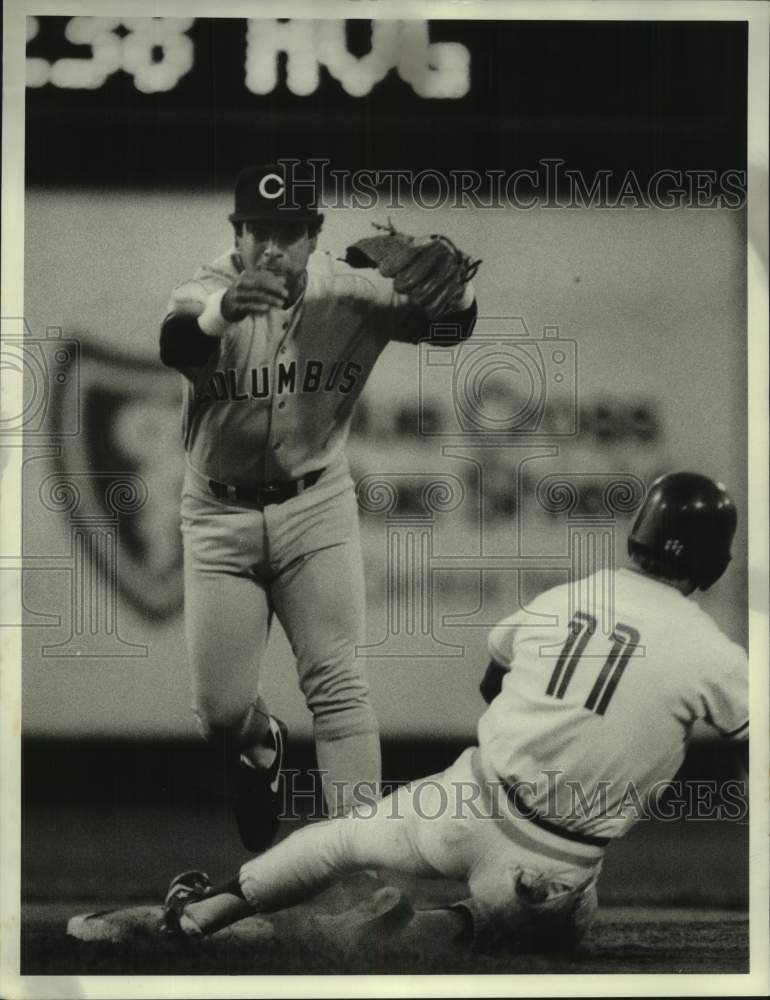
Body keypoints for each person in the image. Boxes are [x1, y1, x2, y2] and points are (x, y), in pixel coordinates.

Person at [68, 471, 748, 953]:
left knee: (336, 842)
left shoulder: (572, 595)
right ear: (715, 563)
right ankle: (445, 928)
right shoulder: (714, 655)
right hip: (552, 861)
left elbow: (494, 678)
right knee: (548, 926)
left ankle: (195, 916)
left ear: (639, 535)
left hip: (462, 804)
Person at [157, 163, 478, 850]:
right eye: (259, 232)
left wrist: (463, 289)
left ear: (315, 237)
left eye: (290, 233)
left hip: (316, 506)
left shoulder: (353, 292)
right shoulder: (208, 291)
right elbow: (175, 344)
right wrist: (222, 311)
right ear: (236, 236)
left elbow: (452, 330)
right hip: (218, 514)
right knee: (219, 713)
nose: (273, 249)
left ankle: (358, 865)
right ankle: (260, 743)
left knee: (338, 685)